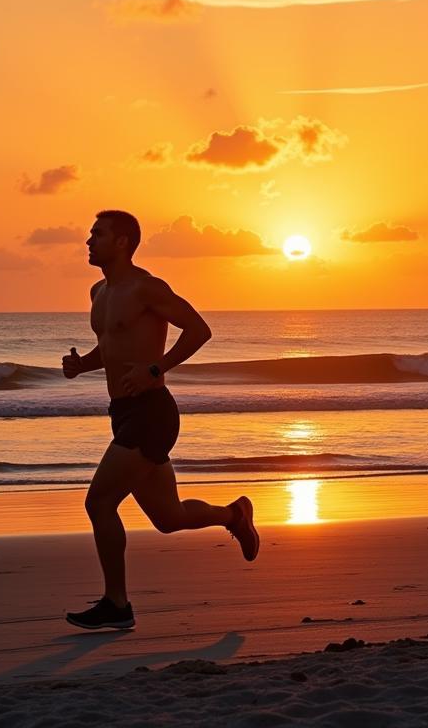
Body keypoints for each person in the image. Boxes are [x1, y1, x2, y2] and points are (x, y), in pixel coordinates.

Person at [63, 209, 259, 630]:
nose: (88, 241)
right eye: (89, 234)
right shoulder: (97, 292)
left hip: (153, 413)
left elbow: (199, 330)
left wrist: (156, 368)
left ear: (122, 242)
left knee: (98, 502)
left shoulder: (147, 288)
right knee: (168, 519)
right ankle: (234, 515)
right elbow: (112, 348)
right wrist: (83, 366)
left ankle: (117, 605)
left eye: (97, 234)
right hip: (123, 413)